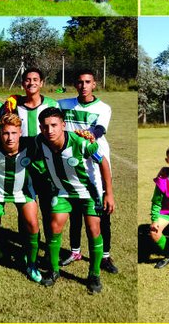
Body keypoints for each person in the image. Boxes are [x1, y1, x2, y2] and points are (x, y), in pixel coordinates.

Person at [36, 107, 112, 293]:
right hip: (62, 192)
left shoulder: (81, 143)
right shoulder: (40, 141)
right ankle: (54, 270)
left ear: (63, 125)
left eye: (54, 125)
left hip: (88, 193)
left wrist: (108, 193)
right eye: (45, 126)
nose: (50, 130)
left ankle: (94, 274)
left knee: (93, 229)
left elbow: (103, 162)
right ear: (40, 128)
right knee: (54, 226)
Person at [58, 71, 116, 273]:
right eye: (80, 82)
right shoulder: (64, 104)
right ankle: (75, 251)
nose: (83, 85)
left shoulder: (103, 108)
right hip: (72, 167)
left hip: (96, 166)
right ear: (75, 84)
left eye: (87, 82)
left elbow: (99, 130)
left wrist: (87, 134)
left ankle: (105, 256)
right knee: (75, 212)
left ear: (94, 84)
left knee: (101, 214)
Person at [0, 114, 41, 283]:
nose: (10, 137)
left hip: (23, 192)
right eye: (6, 133)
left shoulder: (31, 144)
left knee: (33, 224)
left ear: (20, 133)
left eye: (14, 133)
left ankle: (32, 264)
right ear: (0, 133)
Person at [2, 67, 56, 138]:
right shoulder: (14, 105)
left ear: (41, 83)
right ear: (23, 84)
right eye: (28, 80)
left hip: (44, 144)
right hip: (21, 145)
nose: (31, 83)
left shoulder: (52, 104)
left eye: (35, 80)